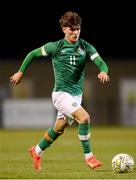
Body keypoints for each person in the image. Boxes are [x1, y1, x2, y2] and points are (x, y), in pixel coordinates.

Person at [10, 11, 110, 171]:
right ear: (64, 29)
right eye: (72, 29)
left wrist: (104, 71)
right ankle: (89, 157)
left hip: (76, 96)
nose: (75, 32)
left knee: (59, 128)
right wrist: (20, 72)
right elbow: (32, 54)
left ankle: (36, 151)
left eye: (77, 29)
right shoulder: (55, 47)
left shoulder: (85, 46)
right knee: (84, 118)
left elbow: (101, 62)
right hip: (61, 95)